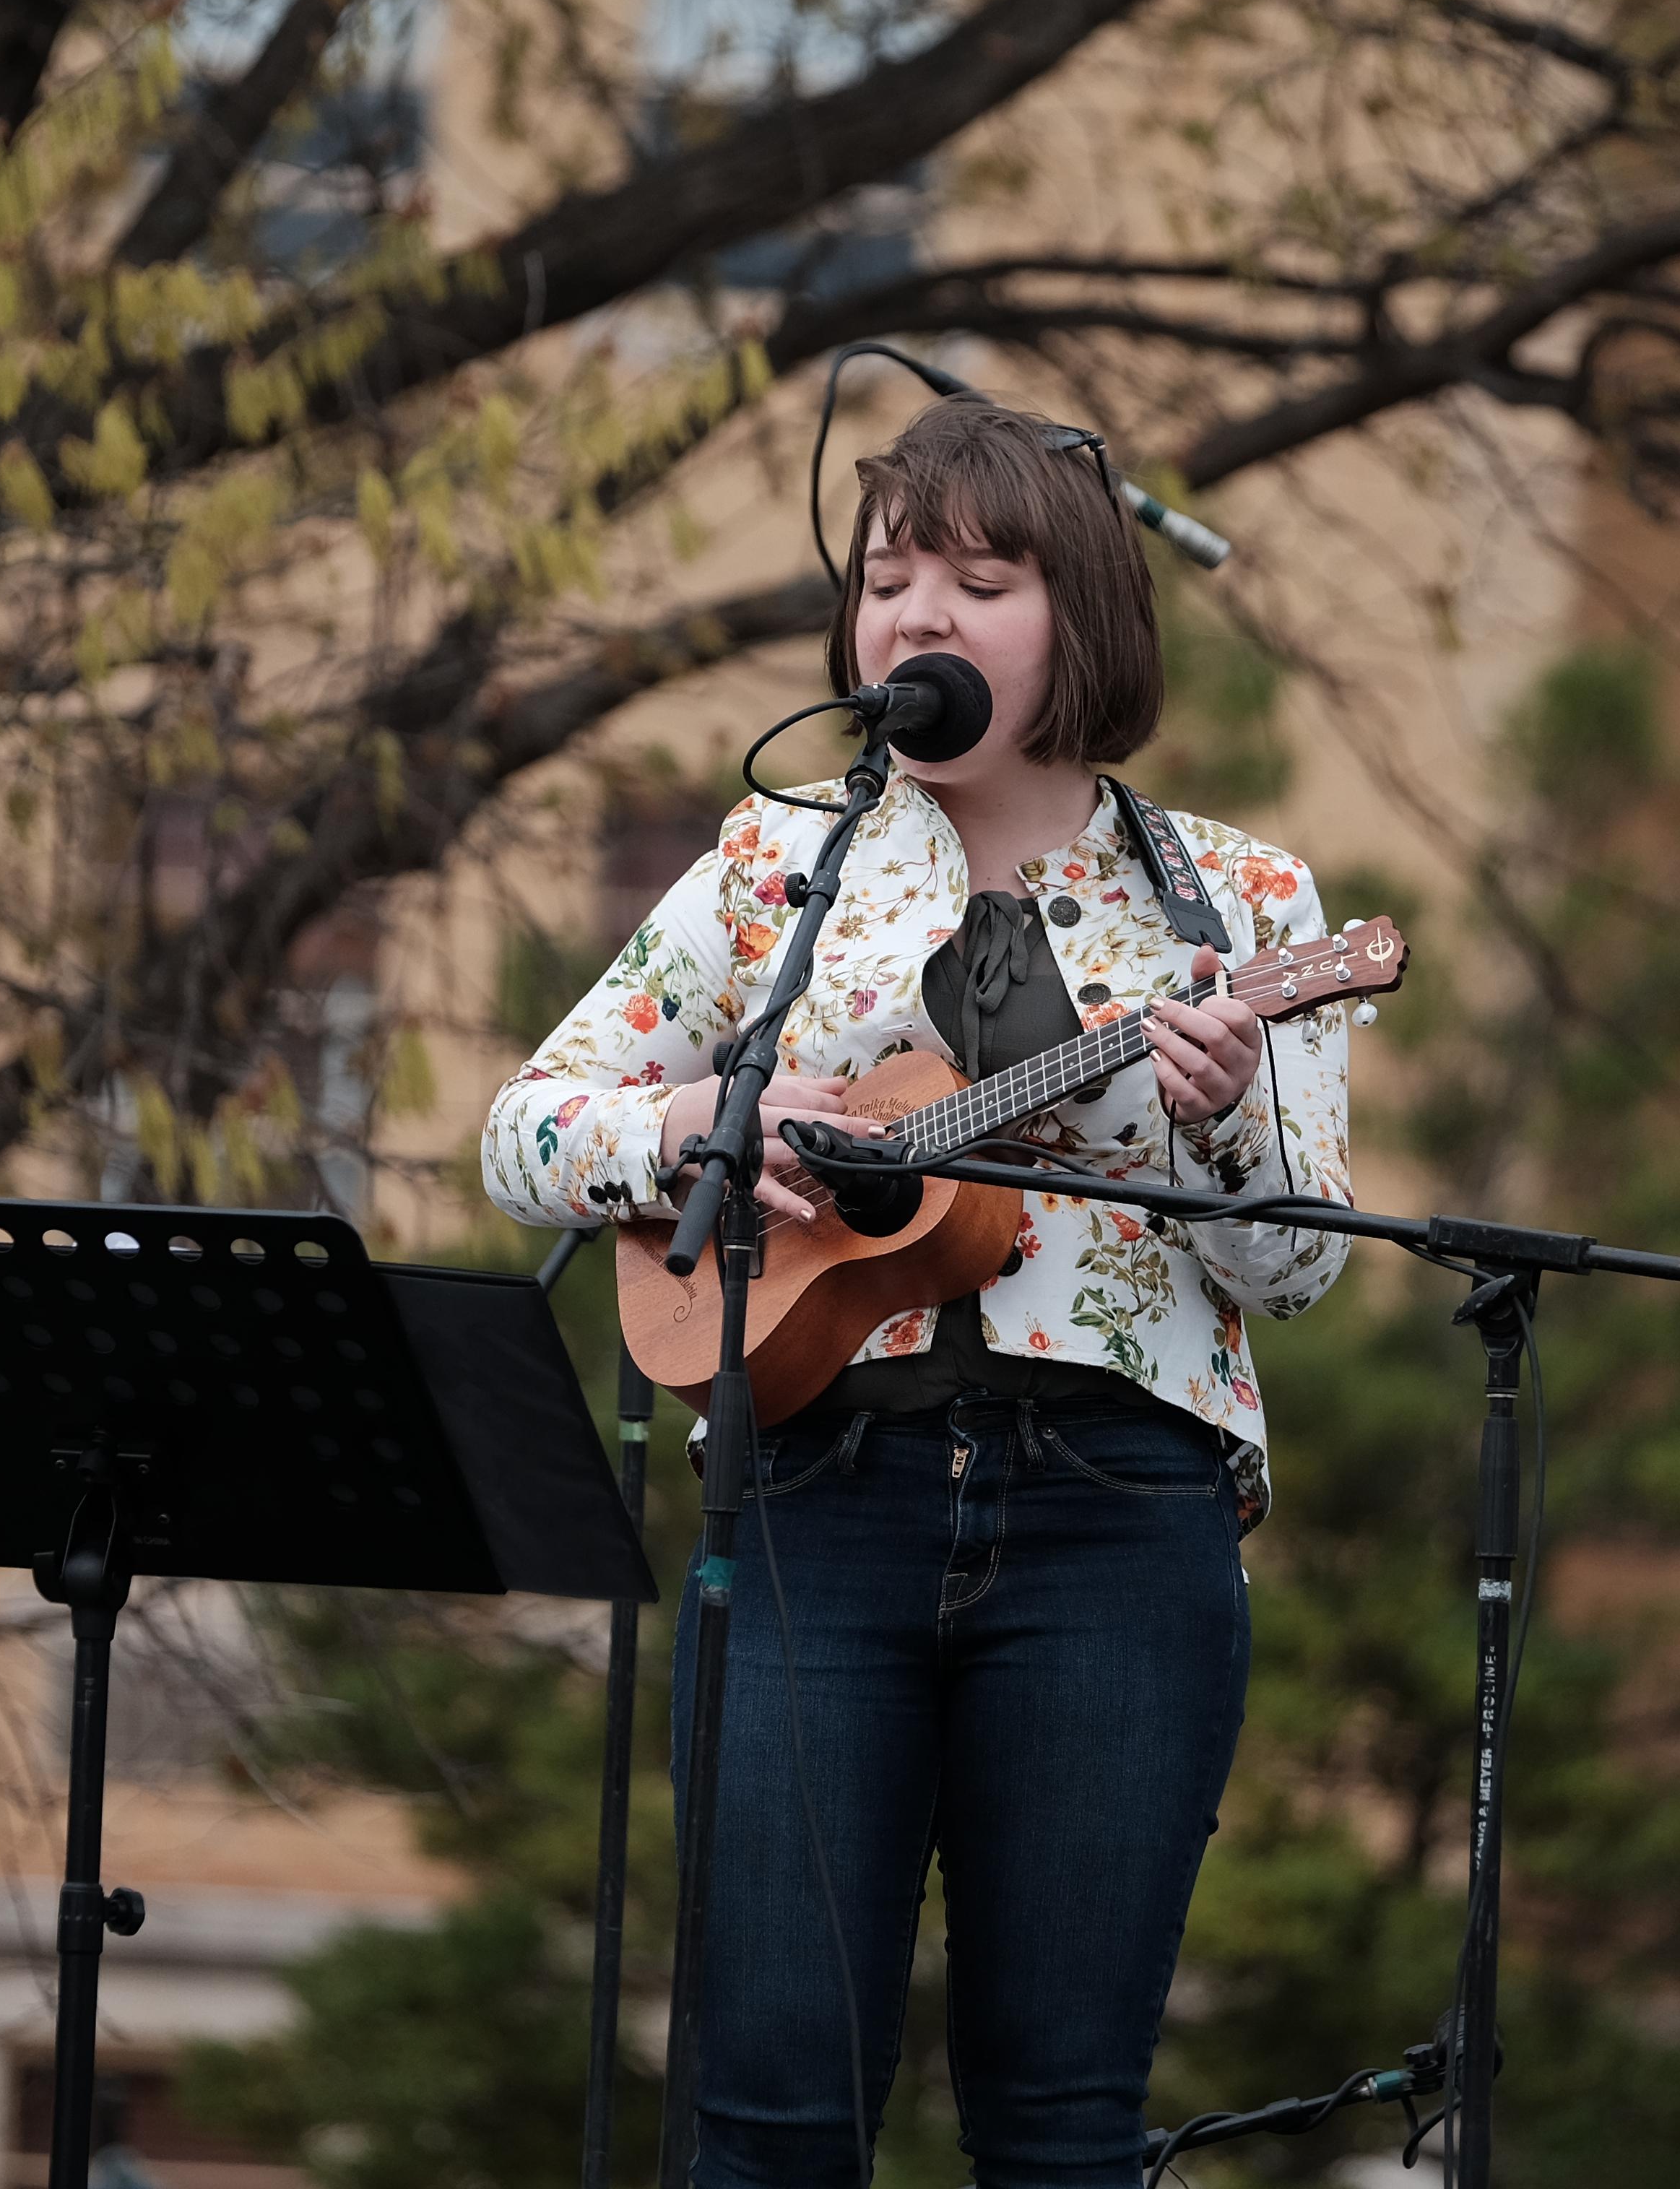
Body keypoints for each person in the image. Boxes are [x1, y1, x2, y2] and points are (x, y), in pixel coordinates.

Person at [482, 395, 1354, 2188]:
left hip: (1122, 1517)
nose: (919, 618)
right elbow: (523, 1132)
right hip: (813, 1503)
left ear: (1082, 620)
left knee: (1056, 2117)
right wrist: (707, 1120)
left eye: (981, 578)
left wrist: (1211, 1118)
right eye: (890, 581)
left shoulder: (1243, 902)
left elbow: (1308, 1265)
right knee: (770, 2108)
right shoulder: (773, 863)